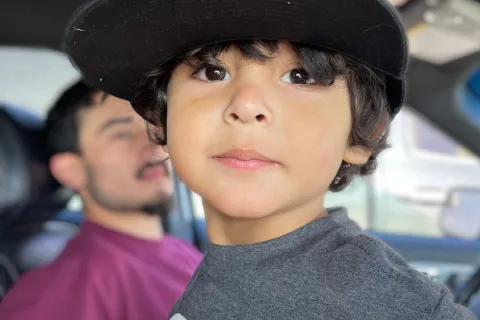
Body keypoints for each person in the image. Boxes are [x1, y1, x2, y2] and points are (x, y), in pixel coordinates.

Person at [63, 0, 476, 319]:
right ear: (163, 123)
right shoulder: (232, 268)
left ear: (361, 136)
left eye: (301, 76)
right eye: (211, 72)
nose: (246, 104)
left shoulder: (391, 304)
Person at [0, 81, 202, 319]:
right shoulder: (58, 297)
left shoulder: (178, 249)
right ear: (72, 171)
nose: (157, 149)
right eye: (122, 133)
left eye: (155, 128)